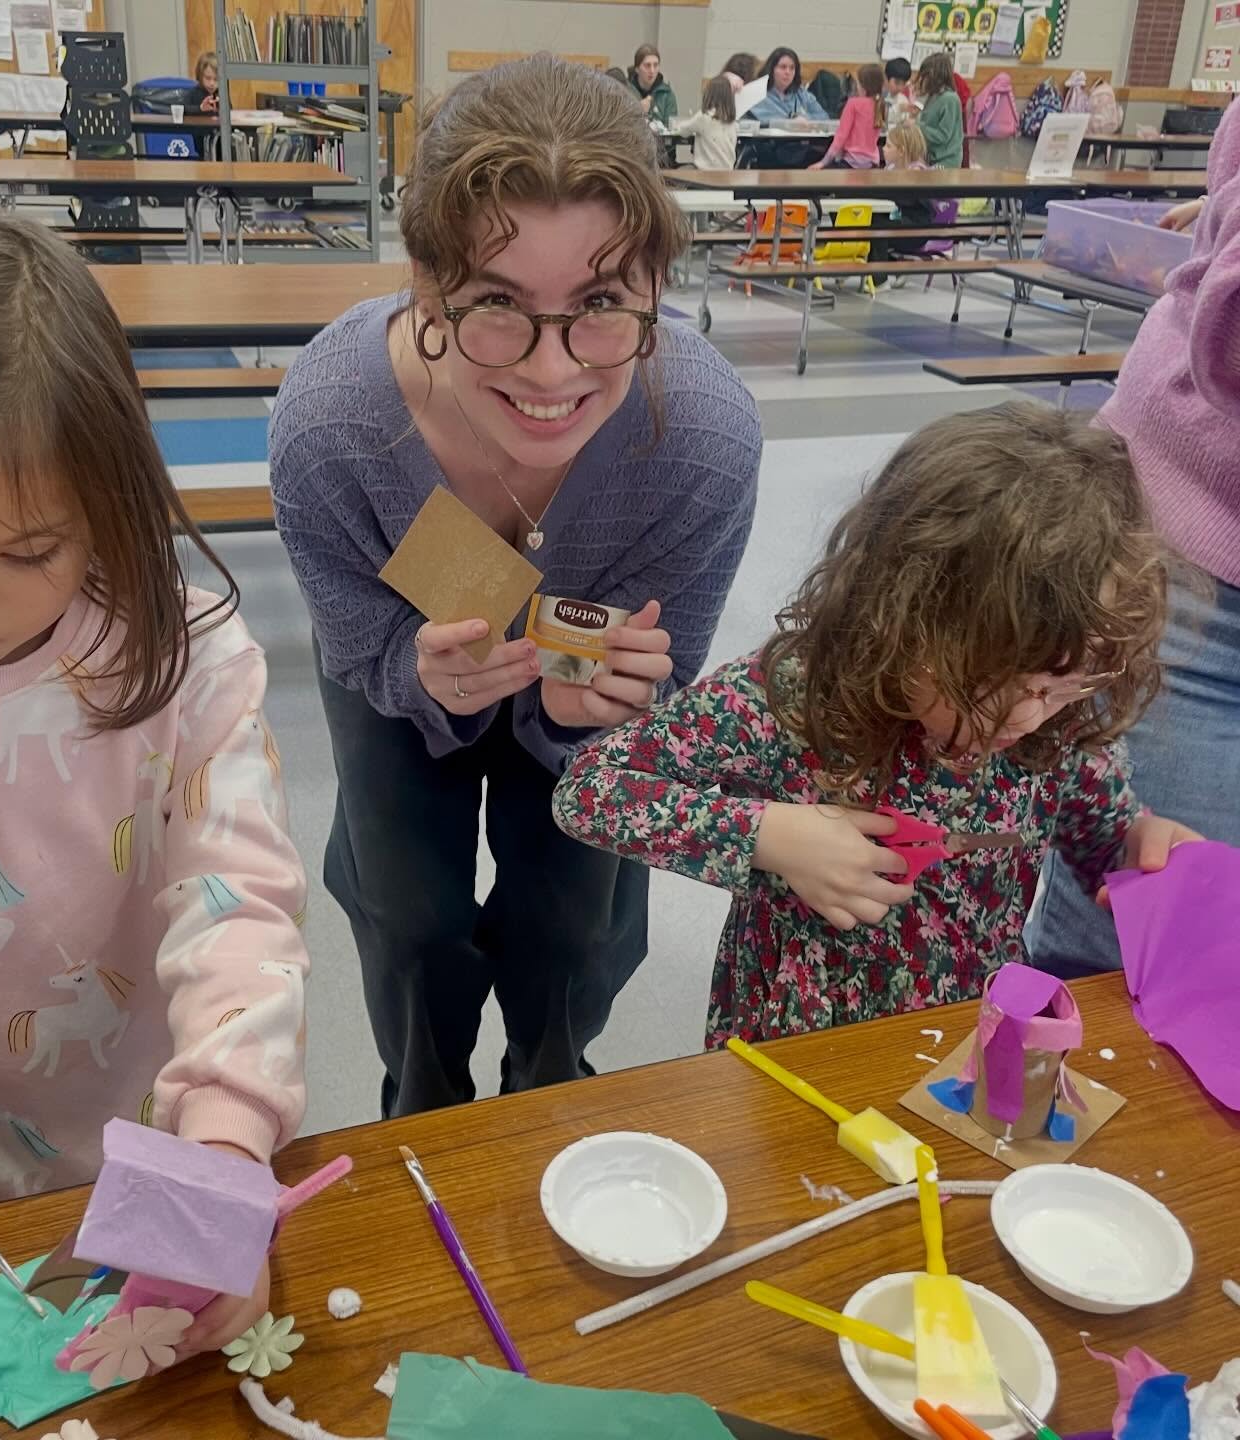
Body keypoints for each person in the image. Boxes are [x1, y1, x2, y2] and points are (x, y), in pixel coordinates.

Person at [0, 213, 309, 1357]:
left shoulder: (193, 658)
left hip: (173, 1134)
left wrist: (226, 1140)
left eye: (28, 551)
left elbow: (237, 904)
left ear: (107, 501)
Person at [268, 56, 762, 1117]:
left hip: (580, 703)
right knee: (403, 903)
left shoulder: (703, 442)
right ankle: (427, 1101)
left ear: (656, 292)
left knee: (579, 913)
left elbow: (663, 702)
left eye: (600, 304)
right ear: (426, 285)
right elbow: (359, 647)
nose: (551, 373)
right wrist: (417, 674)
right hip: (399, 655)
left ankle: (546, 1091)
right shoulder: (334, 426)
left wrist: (603, 715)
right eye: (496, 303)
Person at [553, 403, 1200, 1044]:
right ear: (898, 618)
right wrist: (766, 834)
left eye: (1061, 687)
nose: (1025, 717)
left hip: (963, 1045)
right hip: (788, 1049)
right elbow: (591, 791)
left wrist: (1142, 849)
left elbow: (1104, 845)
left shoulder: (1061, 739)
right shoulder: (799, 696)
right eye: (983, 685)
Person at [1027, 98, 1240, 978]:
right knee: (1132, 966)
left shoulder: (1046, 747)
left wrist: (1130, 834)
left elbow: (1103, 827)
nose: (1032, 712)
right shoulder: (819, 688)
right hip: (1200, 542)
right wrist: (781, 835)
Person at [866, 120, 934, 264]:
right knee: (868, 220)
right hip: (898, 219)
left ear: (901, 151)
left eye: (889, 146)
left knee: (876, 225)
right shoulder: (890, 169)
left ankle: (879, 276)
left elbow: (900, 198)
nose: (883, 149)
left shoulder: (916, 172)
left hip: (916, 229)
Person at [810, 63, 884, 169]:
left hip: (851, 163)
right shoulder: (881, 105)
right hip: (872, 164)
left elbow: (841, 137)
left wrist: (823, 162)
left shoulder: (853, 104)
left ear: (862, 86)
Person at [746, 47, 829, 124]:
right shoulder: (758, 94)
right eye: (783, 67)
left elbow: (824, 117)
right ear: (771, 69)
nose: (788, 72)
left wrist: (804, 118)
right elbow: (765, 120)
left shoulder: (802, 94)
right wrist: (792, 121)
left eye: (792, 68)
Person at [673, 75, 739, 171]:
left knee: (677, 172)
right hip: (727, 173)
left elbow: (683, 131)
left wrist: (678, 124)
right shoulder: (732, 121)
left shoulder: (703, 117)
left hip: (704, 173)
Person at [914, 52, 963, 168]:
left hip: (946, 161)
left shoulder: (950, 99)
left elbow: (942, 135)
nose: (921, 79)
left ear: (933, 76)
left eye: (924, 76)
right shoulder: (933, 96)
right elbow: (929, 123)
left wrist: (917, 126)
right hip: (932, 158)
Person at [627, 44, 677, 125]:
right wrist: (637, 112)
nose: (652, 70)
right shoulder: (625, 91)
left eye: (656, 65)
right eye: (647, 65)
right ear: (637, 69)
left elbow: (671, 130)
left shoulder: (667, 95)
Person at [883, 57, 916, 126]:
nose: (900, 88)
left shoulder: (903, 99)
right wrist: (898, 109)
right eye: (897, 83)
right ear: (886, 78)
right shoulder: (876, 95)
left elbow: (904, 121)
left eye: (904, 84)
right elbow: (879, 117)